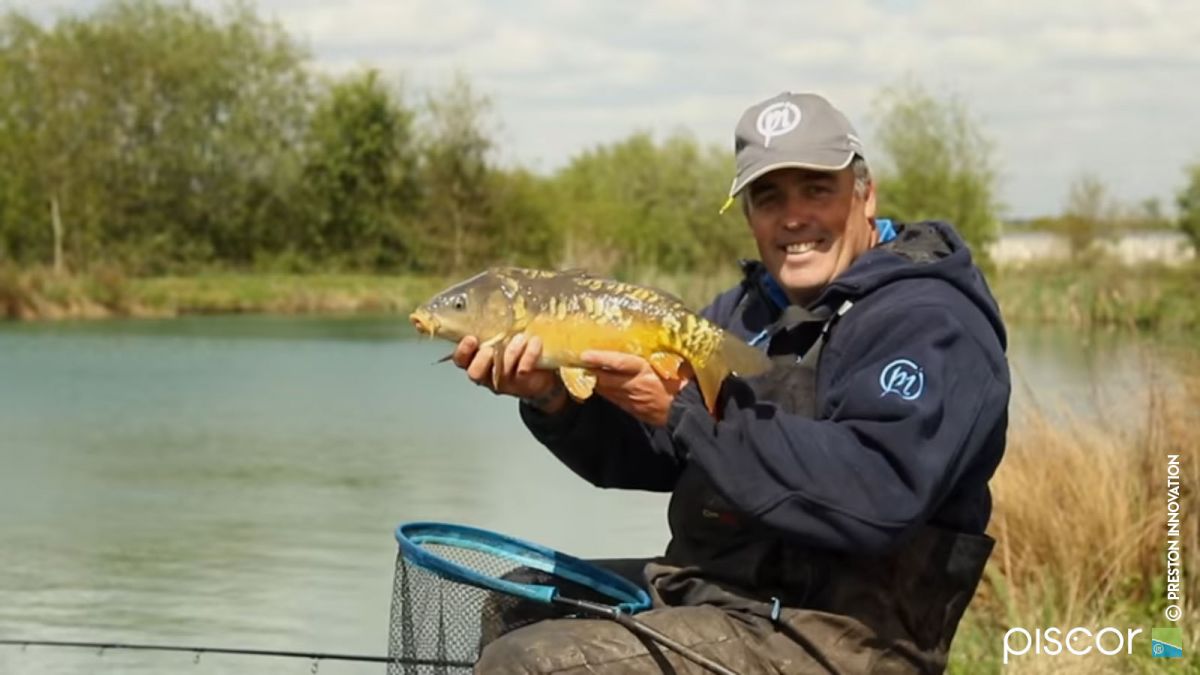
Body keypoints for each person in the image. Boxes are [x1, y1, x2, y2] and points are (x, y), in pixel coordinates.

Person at [452, 91, 1010, 674]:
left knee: (532, 665)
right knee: (516, 601)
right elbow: (659, 454)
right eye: (769, 198)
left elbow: (877, 493)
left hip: (840, 637)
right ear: (749, 216)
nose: (793, 217)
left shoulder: (929, 319)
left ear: (865, 196)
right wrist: (555, 400)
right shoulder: (746, 314)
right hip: (716, 592)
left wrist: (686, 411)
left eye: (817, 189)